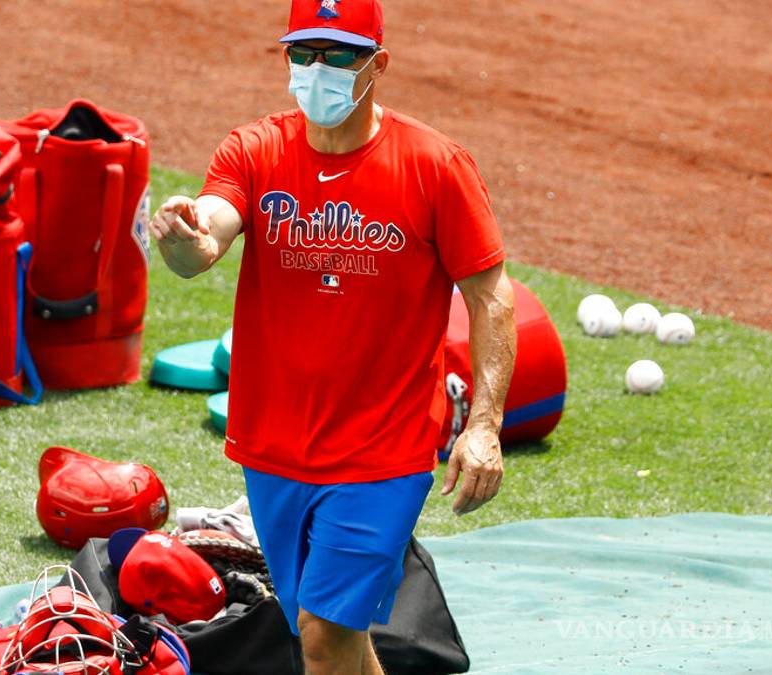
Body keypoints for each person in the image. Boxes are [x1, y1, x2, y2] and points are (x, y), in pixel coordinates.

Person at [149, 1, 516, 672]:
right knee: (324, 634)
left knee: (322, 632)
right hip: (272, 444)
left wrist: (484, 425)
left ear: (378, 64)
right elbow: (206, 240)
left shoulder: (435, 165)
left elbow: (491, 296)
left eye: (338, 54)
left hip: (384, 448)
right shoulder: (253, 149)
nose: (317, 68)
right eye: (303, 52)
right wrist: (181, 237)